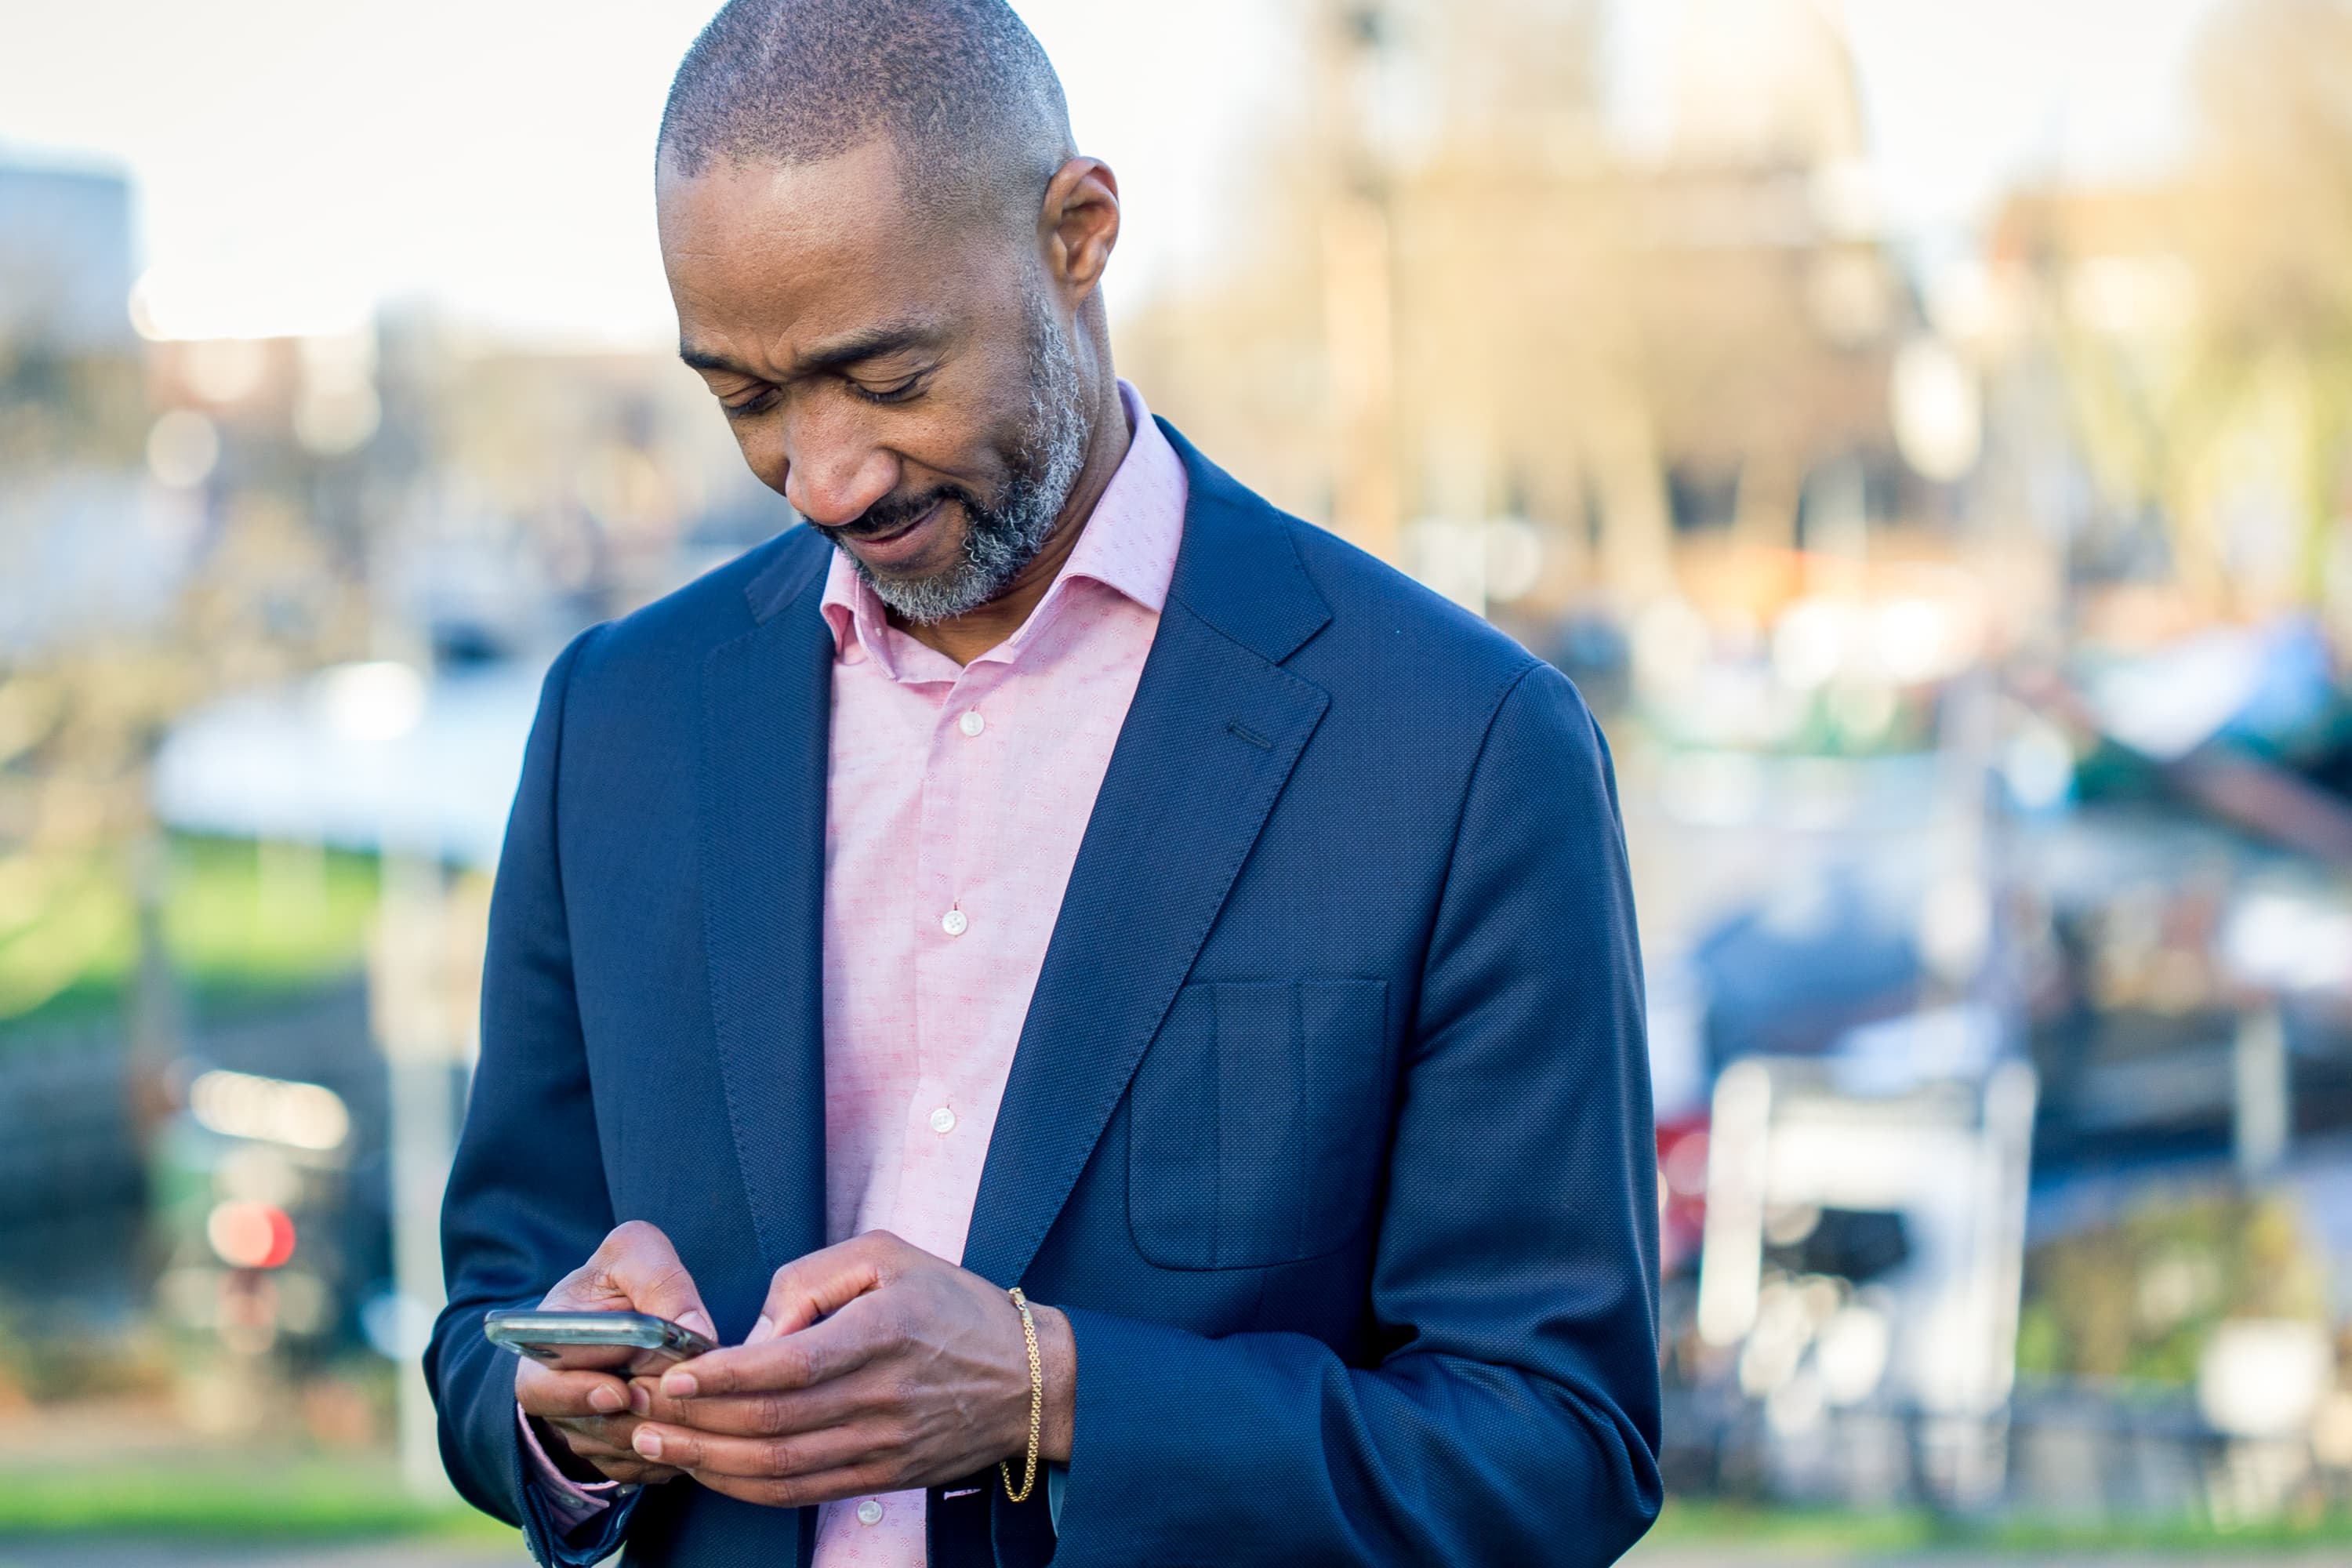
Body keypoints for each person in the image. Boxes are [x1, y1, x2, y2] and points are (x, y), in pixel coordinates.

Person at [423, 2, 1661, 1563]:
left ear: (1080, 234)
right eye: (746, 399)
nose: (824, 477)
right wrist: (560, 1402)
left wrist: (1051, 1391)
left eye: (884, 377)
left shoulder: (1464, 747)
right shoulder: (617, 721)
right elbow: (489, 1313)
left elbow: (1559, 1443)